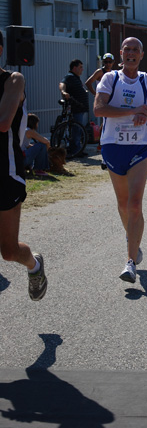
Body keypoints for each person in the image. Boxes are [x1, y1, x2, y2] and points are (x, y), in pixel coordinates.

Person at [94, 37, 147, 284]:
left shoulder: (146, 80)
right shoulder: (110, 79)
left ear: (142, 55)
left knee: (135, 204)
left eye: (136, 50)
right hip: (113, 146)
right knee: (123, 204)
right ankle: (133, 241)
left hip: (140, 147)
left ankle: (130, 262)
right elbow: (99, 109)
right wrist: (133, 111)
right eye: (127, 49)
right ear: (121, 53)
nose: (131, 53)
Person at [0, 32, 47, 301]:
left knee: (8, 251)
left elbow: (4, 122)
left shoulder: (13, 80)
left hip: (6, 172)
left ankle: (35, 266)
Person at [59, 59, 89, 157]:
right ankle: (75, 150)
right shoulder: (70, 76)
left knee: (79, 130)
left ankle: (77, 149)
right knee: (76, 129)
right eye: (80, 67)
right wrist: (63, 92)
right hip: (75, 108)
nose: (82, 69)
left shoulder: (76, 78)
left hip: (80, 108)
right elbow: (62, 84)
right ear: (74, 68)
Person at [85, 54, 115, 151]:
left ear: (113, 63)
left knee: (108, 120)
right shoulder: (100, 72)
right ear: (102, 62)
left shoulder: (114, 73)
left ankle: (104, 141)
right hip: (103, 99)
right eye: (105, 62)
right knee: (106, 120)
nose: (107, 64)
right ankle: (101, 142)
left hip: (111, 99)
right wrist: (95, 93)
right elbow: (88, 83)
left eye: (110, 62)